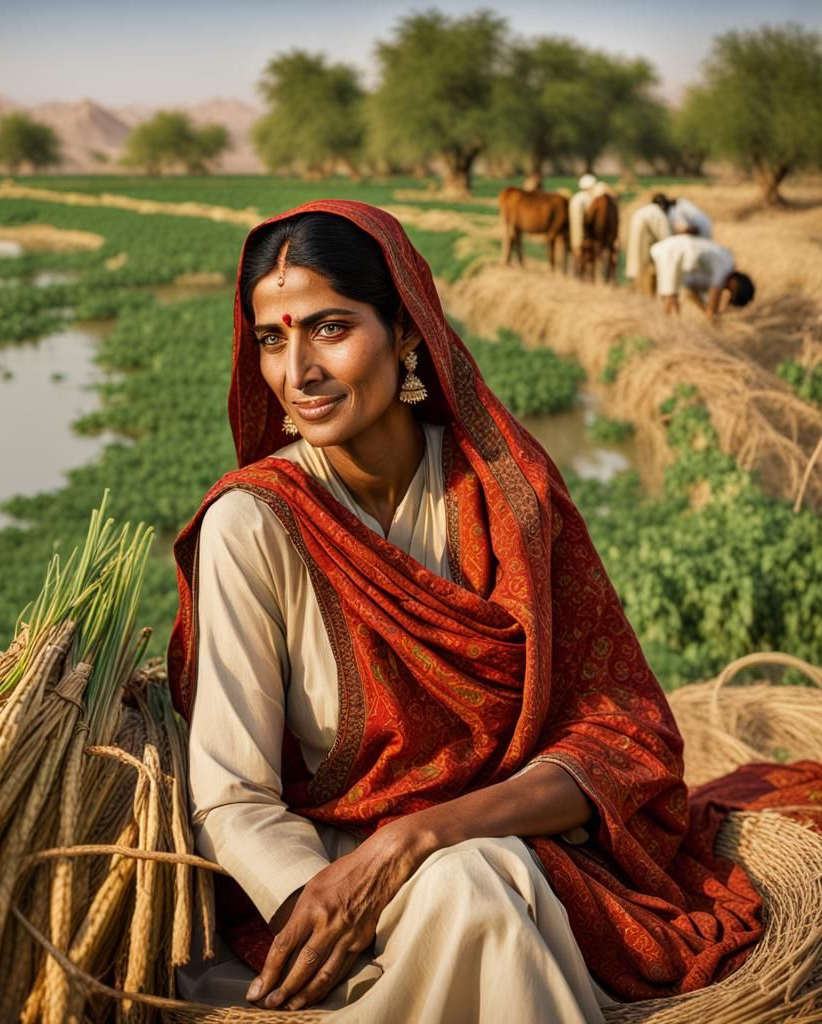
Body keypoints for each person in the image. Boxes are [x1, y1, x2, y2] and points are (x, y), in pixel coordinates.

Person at [167, 200, 795, 1022]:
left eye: (329, 328)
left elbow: (624, 733)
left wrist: (426, 833)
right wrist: (326, 903)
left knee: (479, 877)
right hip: (330, 877)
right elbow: (232, 797)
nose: (298, 371)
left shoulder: (506, 494)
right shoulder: (253, 524)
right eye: (273, 340)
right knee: (474, 892)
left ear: (407, 332)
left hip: (522, 847)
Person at [650, 233, 755, 319]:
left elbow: (692, 291)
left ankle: (668, 328)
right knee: (670, 298)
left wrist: (706, 310)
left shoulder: (715, 270)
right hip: (672, 252)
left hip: (676, 255)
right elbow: (713, 302)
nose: (725, 292)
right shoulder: (724, 267)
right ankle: (663, 330)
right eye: (730, 294)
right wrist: (713, 315)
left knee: (672, 298)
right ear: (734, 284)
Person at [624, 200, 671, 294]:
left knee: (634, 263)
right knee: (648, 267)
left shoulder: (641, 211)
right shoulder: (657, 213)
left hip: (635, 241)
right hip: (646, 244)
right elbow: (666, 236)